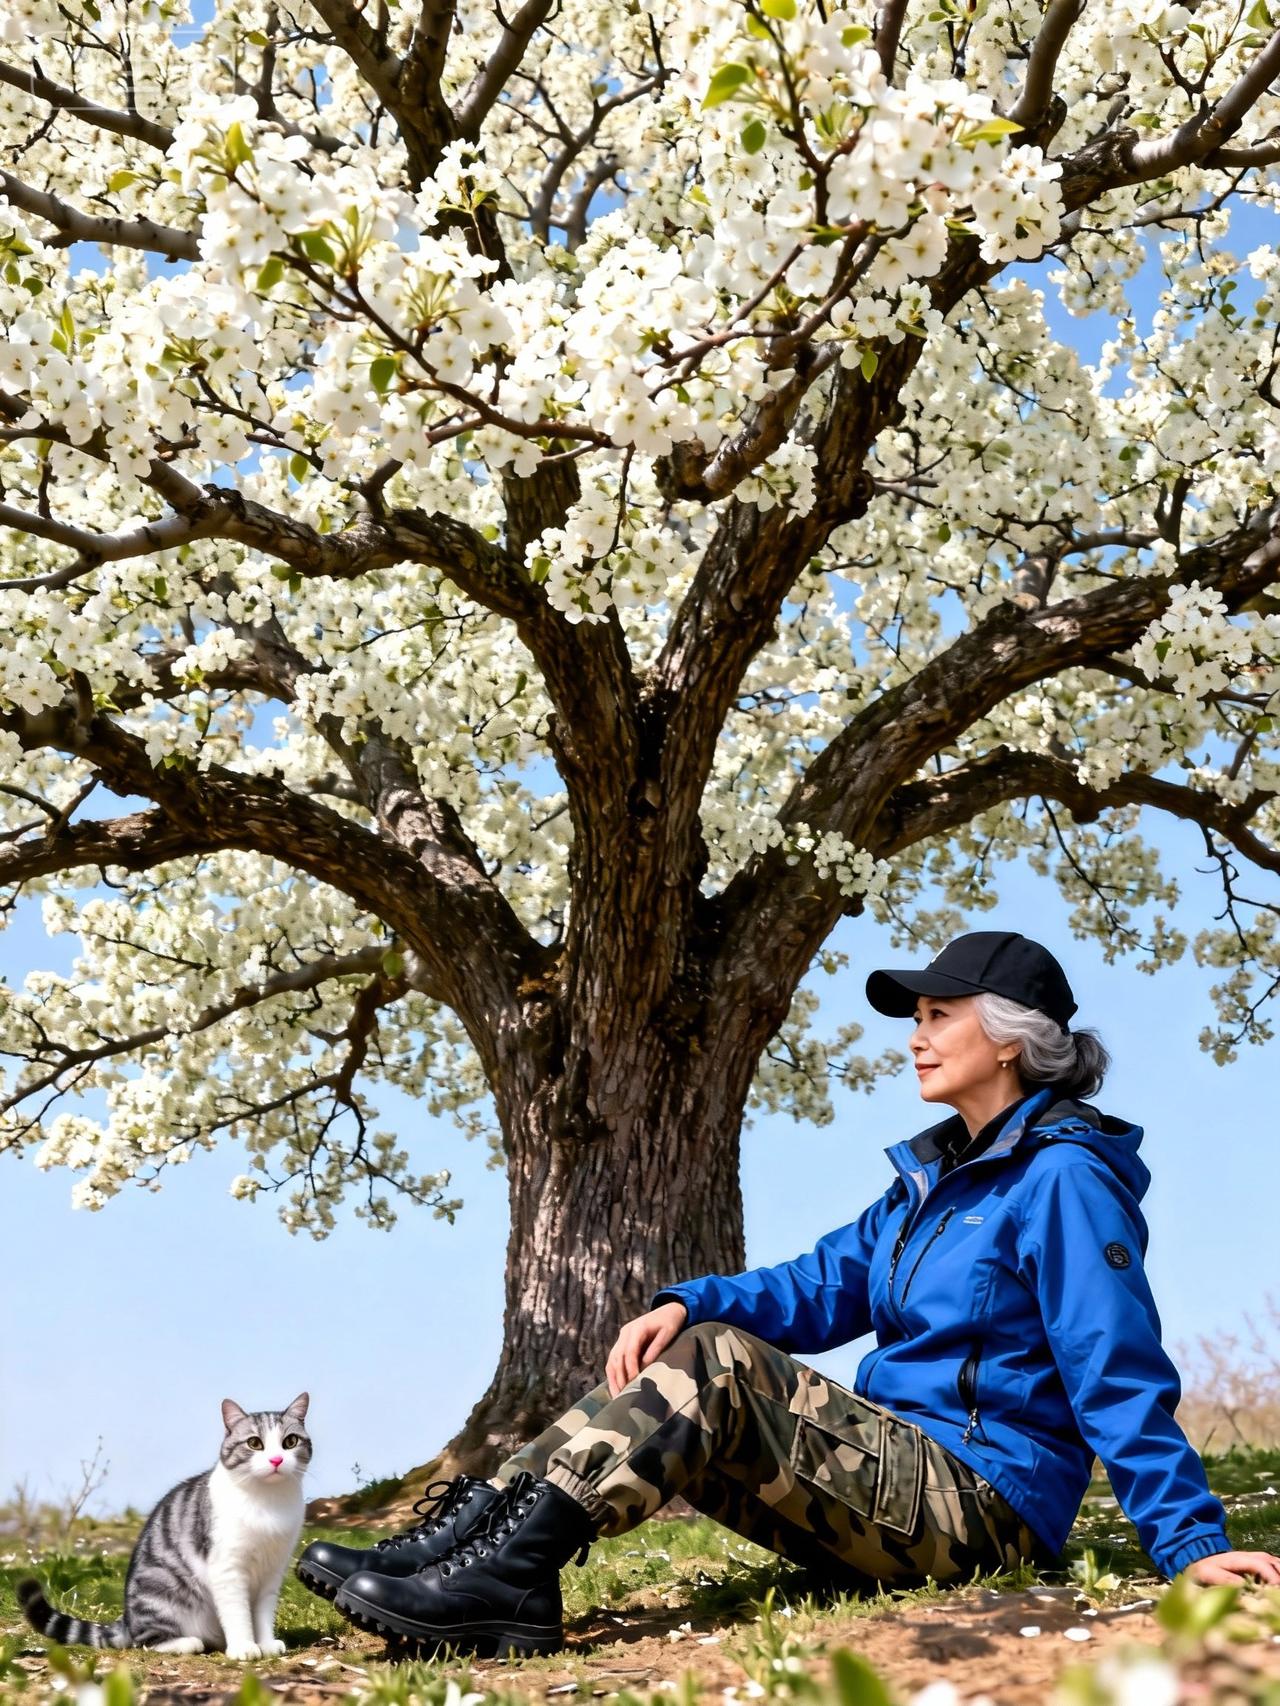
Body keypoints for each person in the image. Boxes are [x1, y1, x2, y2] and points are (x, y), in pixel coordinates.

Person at [297, 930, 1280, 1658]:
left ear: (1011, 1038)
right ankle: (461, 1552)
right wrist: (687, 1297)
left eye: (939, 1014)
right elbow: (817, 1284)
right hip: (893, 1483)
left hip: (982, 1501)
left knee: (720, 1368)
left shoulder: (1061, 1177)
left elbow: (1111, 1360)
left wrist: (1189, 1540)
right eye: (915, 1017)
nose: (915, 1036)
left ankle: (502, 1581)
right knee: (704, 1337)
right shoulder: (928, 1188)